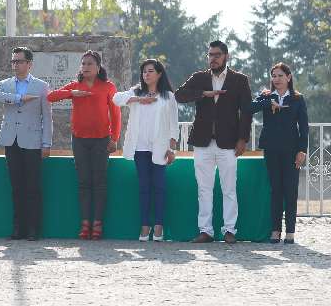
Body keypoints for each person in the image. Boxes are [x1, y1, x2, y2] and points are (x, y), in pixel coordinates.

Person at [175, 40, 252, 244]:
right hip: (202, 142)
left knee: (229, 188)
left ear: (226, 56)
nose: (213, 58)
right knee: (204, 189)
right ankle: (206, 231)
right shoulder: (199, 78)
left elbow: (246, 112)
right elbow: (179, 95)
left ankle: (229, 230)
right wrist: (203, 94)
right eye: (210, 55)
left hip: (229, 142)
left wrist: (243, 139)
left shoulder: (239, 80)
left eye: (217, 55)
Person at [48, 50, 120, 241]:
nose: (86, 67)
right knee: (83, 183)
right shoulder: (75, 86)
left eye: (90, 64)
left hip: (101, 139)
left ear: (98, 67)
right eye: (83, 64)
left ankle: (97, 224)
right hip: (79, 139)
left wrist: (114, 138)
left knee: (99, 183)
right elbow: (51, 97)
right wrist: (72, 93)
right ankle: (85, 223)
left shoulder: (107, 86)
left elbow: (115, 114)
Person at [113, 59, 179, 242]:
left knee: (159, 187)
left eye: (150, 71)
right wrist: (139, 99)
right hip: (140, 147)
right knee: (143, 187)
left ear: (159, 74)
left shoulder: (168, 96)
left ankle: (158, 226)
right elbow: (116, 99)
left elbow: (174, 125)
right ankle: (144, 225)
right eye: (144, 72)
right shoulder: (136, 91)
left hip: (160, 147)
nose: (146, 74)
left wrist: (172, 149)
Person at [0, 47, 53, 241]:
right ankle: (18, 228)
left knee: (33, 187)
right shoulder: (5, 84)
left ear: (29, 64)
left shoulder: (41, 86)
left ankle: (34, 229)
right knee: (16, 187)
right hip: (12, 140)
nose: (15, 65)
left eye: (19, 61)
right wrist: (19, 98)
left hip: (33, 141)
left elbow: (47, 117)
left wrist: (46, 143)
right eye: (13, 61)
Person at [249, 63, 308, 244]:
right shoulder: (266, 97)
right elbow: (249, 107)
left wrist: (302, 150)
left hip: (291, 151)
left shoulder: (298, 99)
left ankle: (290, 231)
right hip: (272, 150)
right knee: (276, 190)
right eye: (273, 76)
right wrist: (269, 102)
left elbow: (304, 127)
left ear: (288, 77)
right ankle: (275, 231)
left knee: (290, 190)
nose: (276, 79)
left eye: (280, 75)